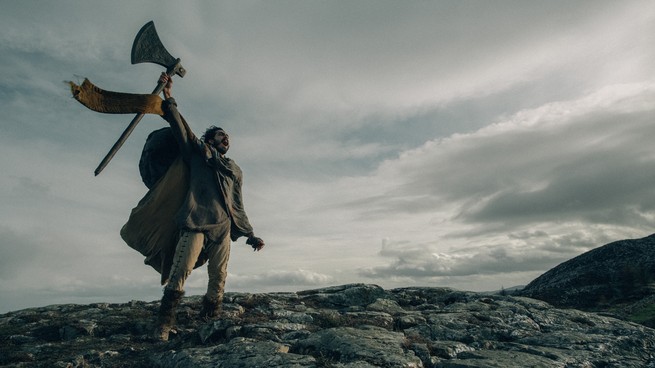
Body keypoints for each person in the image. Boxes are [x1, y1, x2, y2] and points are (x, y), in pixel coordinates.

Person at [155, 72, 265, 341]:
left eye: (227, 136)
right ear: (210, 139)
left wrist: (250, 234)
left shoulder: (234, 169)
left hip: (223, 229)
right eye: (219, 135)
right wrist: (169, 98)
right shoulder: (198, 153)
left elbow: (237, 203)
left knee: (219, 277)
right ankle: (163, 326)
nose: (225, 138)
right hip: (195, 221)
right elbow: (182, 129)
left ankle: (209, 321)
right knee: (180, 272)